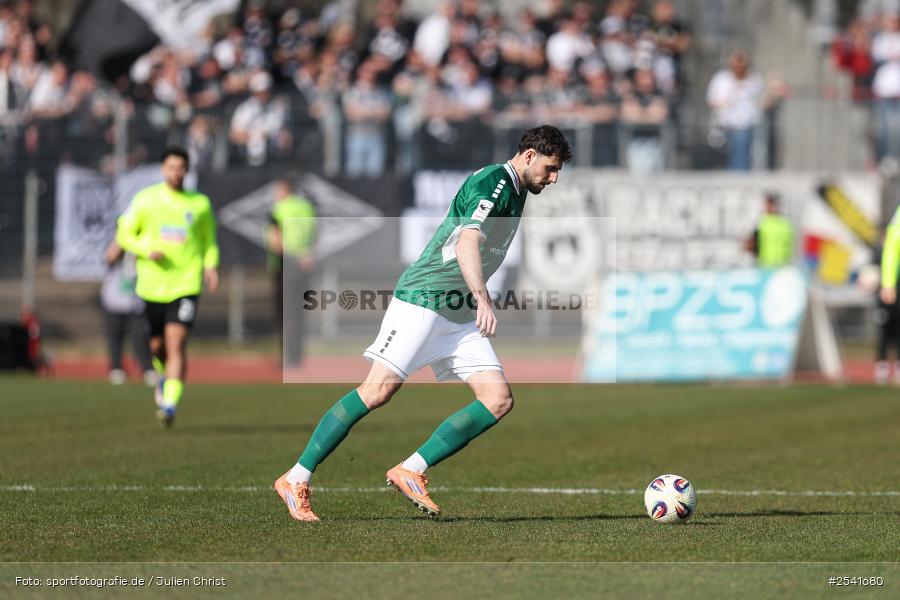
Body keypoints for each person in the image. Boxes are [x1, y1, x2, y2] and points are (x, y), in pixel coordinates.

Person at [274, 125, 573, 521]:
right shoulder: (496, 182)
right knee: (377, 390)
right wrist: (484, 298)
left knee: (497, 399)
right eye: (551, 168)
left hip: (458, 312)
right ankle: (295, 478)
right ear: (530, 155)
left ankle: (411, 469)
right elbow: (467, 241)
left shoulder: (517, 188)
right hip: (426, 298)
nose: (553, 178)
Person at [116, 146, 219, 427]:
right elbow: (124, 232)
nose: (176, 173)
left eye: (181, 168)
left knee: (176, 343)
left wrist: (210, 265)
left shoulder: (199, 204)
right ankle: (164, 378)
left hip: (186, 285)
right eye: (171, 167)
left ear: (187, 170)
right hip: (152, 287)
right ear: (163, 169)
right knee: (157, 346)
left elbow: (209, 239)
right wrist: (144, 248)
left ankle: (170, 405)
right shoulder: (146, 200)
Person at [267, 178, 316, 368]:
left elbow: (275, 240)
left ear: (284, 190)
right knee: (298, 312)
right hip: (304, 264)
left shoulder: (279, 209)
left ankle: (286, 356)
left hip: (284, 265)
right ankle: (297, 355)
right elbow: (314, 234)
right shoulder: (306, 208)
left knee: (283, 313)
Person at [100, 239, 155, 386]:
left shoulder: (140, 249)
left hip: (135, 305)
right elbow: (109, 256)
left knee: (140, 339)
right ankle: (117, 368)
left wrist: (138, 247)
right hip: (114, 303)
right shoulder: (116, 247)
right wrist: (124, 238)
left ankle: (147, 369)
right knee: (114, 339)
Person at [744, 192, 794, 267]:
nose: (767, 207)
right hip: (772, 265)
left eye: (769, 204)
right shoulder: (785, 224)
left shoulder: (763, 223)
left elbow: (750, 245)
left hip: (774, 265)